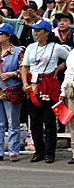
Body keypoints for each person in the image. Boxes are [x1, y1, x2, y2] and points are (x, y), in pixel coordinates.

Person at [20, 19, 71, 163]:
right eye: (35, 31)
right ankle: (38, 151)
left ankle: (50, 152)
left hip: (49, 84)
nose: (36, 34)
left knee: (49, 120)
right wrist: (25, 83)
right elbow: (25, 66)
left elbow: (70, 58)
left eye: (39, 31)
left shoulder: (55, 47)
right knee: (35, 120)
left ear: (47, 33)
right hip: (34, 85)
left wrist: (60, 67)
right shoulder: (31, 47)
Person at [0, 23, 23, 162]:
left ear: (8, 36)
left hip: (11, 89)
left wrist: (12, 74)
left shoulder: (18, 51)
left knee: (13, 122)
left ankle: (14, 151)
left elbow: (24, 71)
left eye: (0, 34)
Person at [60, 40, 74, 164]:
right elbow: (67, 74)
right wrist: (62, 93)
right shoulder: (72, 53)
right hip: (71, 91)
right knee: (72, 124)